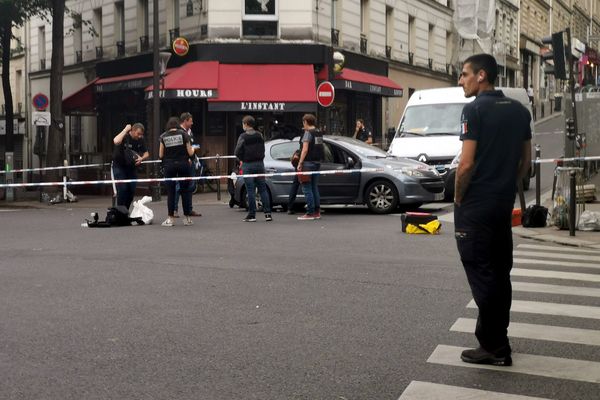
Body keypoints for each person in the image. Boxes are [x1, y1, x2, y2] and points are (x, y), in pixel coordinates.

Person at [454, 54, 532, 366]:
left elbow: (466, 163)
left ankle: (494, 346)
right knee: (500, 273)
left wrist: (459, 197)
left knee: (482, 274)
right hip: (502, 204)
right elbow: (525, 163)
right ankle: (496, 338)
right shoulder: (519, 110)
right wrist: (506, 185)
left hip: (476, 206)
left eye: (464, 74)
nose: (461, 81)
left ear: (481, 75)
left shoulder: (473, 109)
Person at [234, 115, 272, 222]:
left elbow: (237, 151)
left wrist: (241, 159)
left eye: (243, 123)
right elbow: (263, 149)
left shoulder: (243, 136)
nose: (242, 126)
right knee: (263, 189)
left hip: (248, 164)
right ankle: (268, 214)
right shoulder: (260, 135)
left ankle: (252, 215)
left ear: (246, 124)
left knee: (250, 190)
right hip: (260, 164)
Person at [159, 117, 196, 227]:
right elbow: (190, 152)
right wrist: (193, 150)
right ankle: (187, 218)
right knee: (185, 191)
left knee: (171, 192)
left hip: (169, 165)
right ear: (178, 125)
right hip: (183, 164)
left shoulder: (163, 136)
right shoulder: (184, 134)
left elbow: (160, 155)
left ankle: (170, 218)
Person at [112, 123, 149, 211]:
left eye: (141, 134)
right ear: (132, 131)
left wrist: (141, 158)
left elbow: (146, 153)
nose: (139, 136)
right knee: (123, 189)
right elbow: (116, 141)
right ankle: (120, 212)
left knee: (131, 190)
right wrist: (125, 130)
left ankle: (125, 211)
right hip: (119, 166)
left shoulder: (141, 140)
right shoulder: (124, 136)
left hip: (131, 167)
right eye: (138, 134)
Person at [173, 112, 202, 218]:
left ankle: (189, 209)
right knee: (178, 186)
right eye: (190, 121)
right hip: (182, 163)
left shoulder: (190, 132)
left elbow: (190, 145)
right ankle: (174, 210)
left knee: (191, 186)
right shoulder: (178, 132)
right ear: (185, 121)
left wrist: (194, 150)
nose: (192, 123)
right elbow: (179, 148)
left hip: (191, 162)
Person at [296, 113, 324, 220]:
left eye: (303, 122)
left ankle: (310, 213)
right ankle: (317, 212)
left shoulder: (307, 133)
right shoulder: (319, 132)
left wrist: (300, 163)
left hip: (308, 163)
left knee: (307, 188)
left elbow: (305, 149)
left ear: (305, 122)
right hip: (317, 163)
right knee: (314, 187)